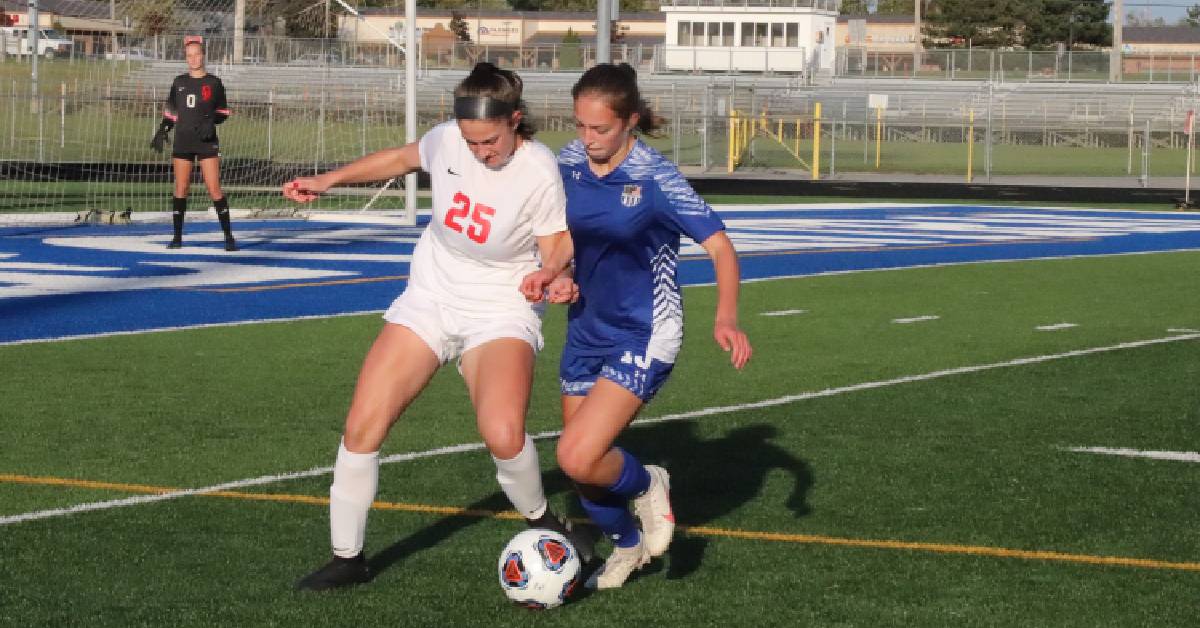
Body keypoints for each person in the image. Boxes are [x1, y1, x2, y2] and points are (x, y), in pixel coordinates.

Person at [282, 62, 588, 591]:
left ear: (516, 120)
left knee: (502, 433)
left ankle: (545, 525)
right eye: (471, 141)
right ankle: (347, 558)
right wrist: (328, 180)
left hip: (500, 306)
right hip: (431, 295)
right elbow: (402, 158)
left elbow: (557, 244)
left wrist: (554, 274)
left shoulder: (539, 169)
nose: (479, 151)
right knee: (362, 427)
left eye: (489, 140)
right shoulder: (448, 139)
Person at [551, 63, 752, 590]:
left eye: (600, 129)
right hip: (585, 327)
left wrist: (726, 317)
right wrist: (557, 274)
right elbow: (565, 239)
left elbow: (720, 247)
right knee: (580, 467)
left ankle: (648, 484)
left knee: (576, 452)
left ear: (630, 121)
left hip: (645, 328)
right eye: (580, 126)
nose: (587, 139)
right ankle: (626, 545)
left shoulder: (656, 178)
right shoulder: (567, 163)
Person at [150, 36, 236, 251]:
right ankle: (177, 237)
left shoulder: (214, 83)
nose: (194, 59)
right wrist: (162, 130)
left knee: (213, 188)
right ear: (185, 58)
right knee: (181, 187)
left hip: (206, 142)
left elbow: (223, 112)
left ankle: (229, 237)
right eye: (189, 55)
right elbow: (171, 113)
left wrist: (212, 122)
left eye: (197, 54)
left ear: (203, 56)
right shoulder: (179, 82)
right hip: (183, 141)